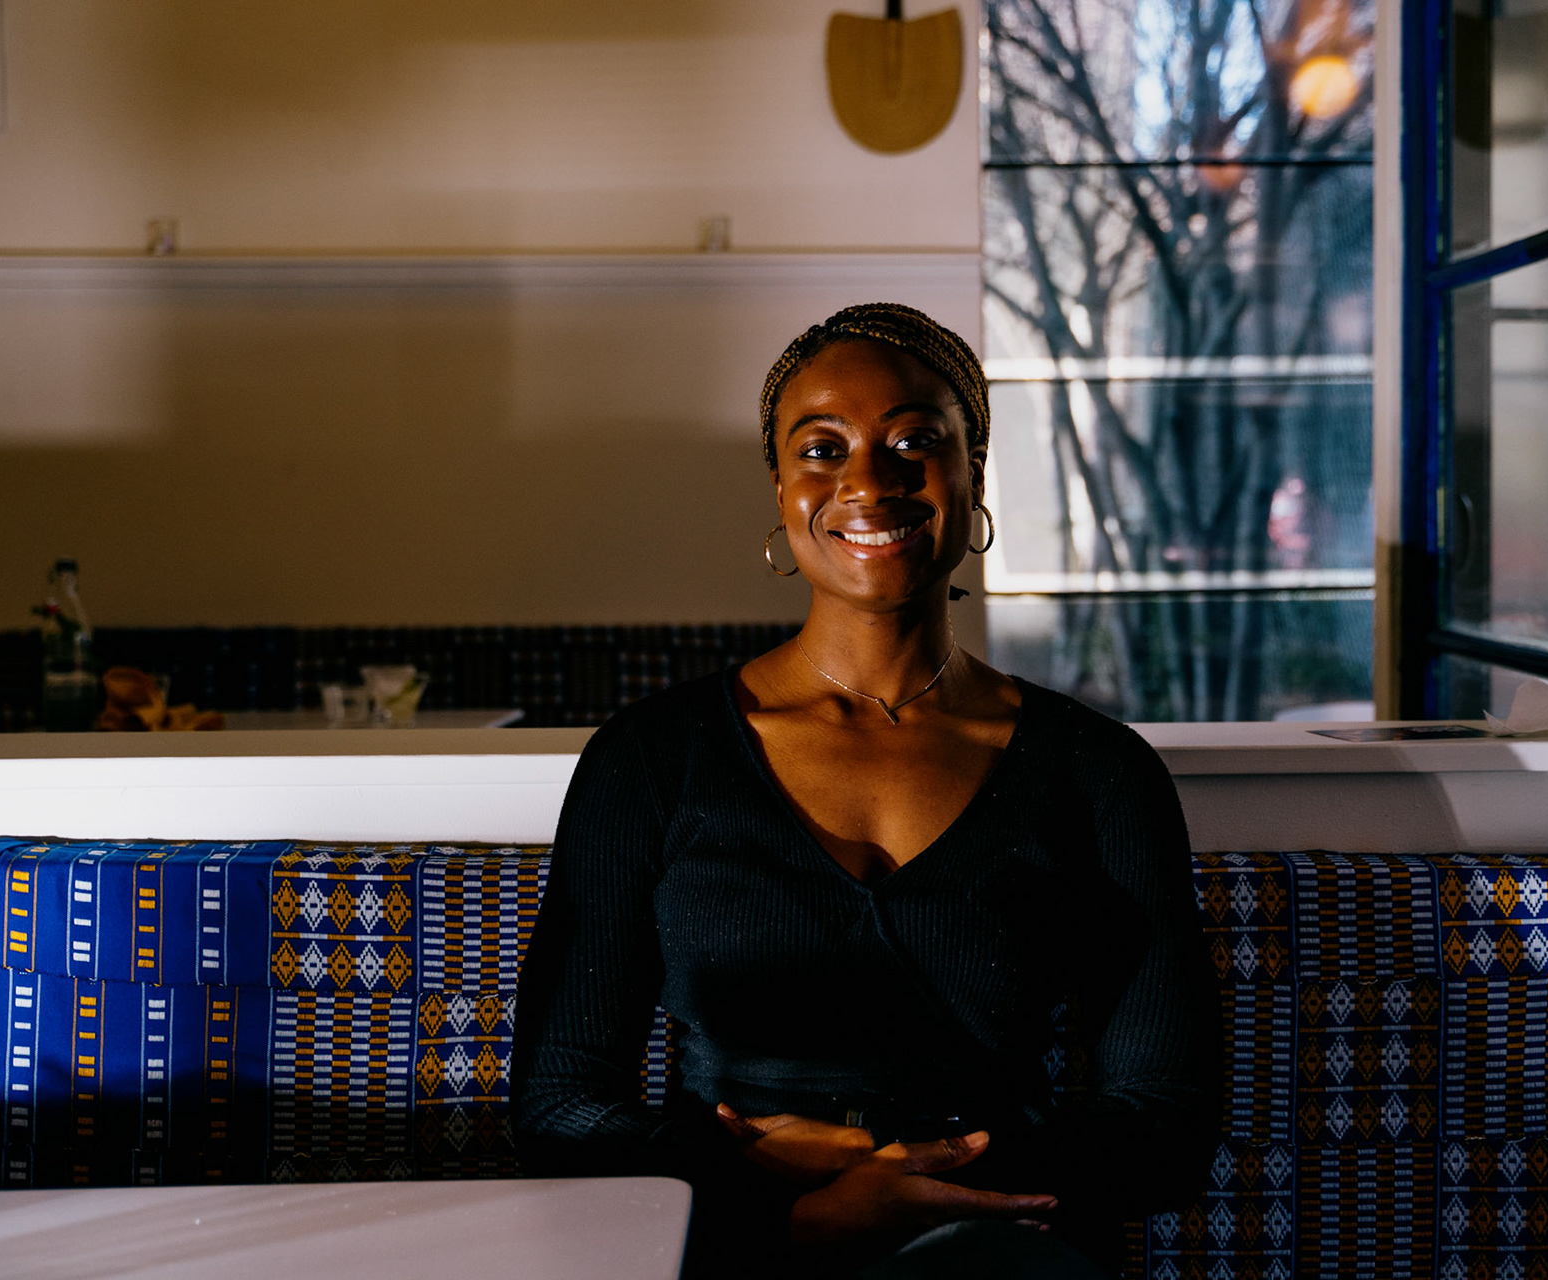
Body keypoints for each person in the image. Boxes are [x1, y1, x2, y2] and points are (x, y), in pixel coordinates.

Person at [512, 303, 1212, 1279]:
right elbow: (559, 1106)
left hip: (997, 1247)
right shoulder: (651, 759)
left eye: (916, 441)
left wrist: (907, 1182)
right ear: (781, 485)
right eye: (821, 448)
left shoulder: (1100, 772)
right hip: (725, 1241)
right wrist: (774, 1204)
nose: (870, 482)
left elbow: (1166, 1122)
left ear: (974, 473)